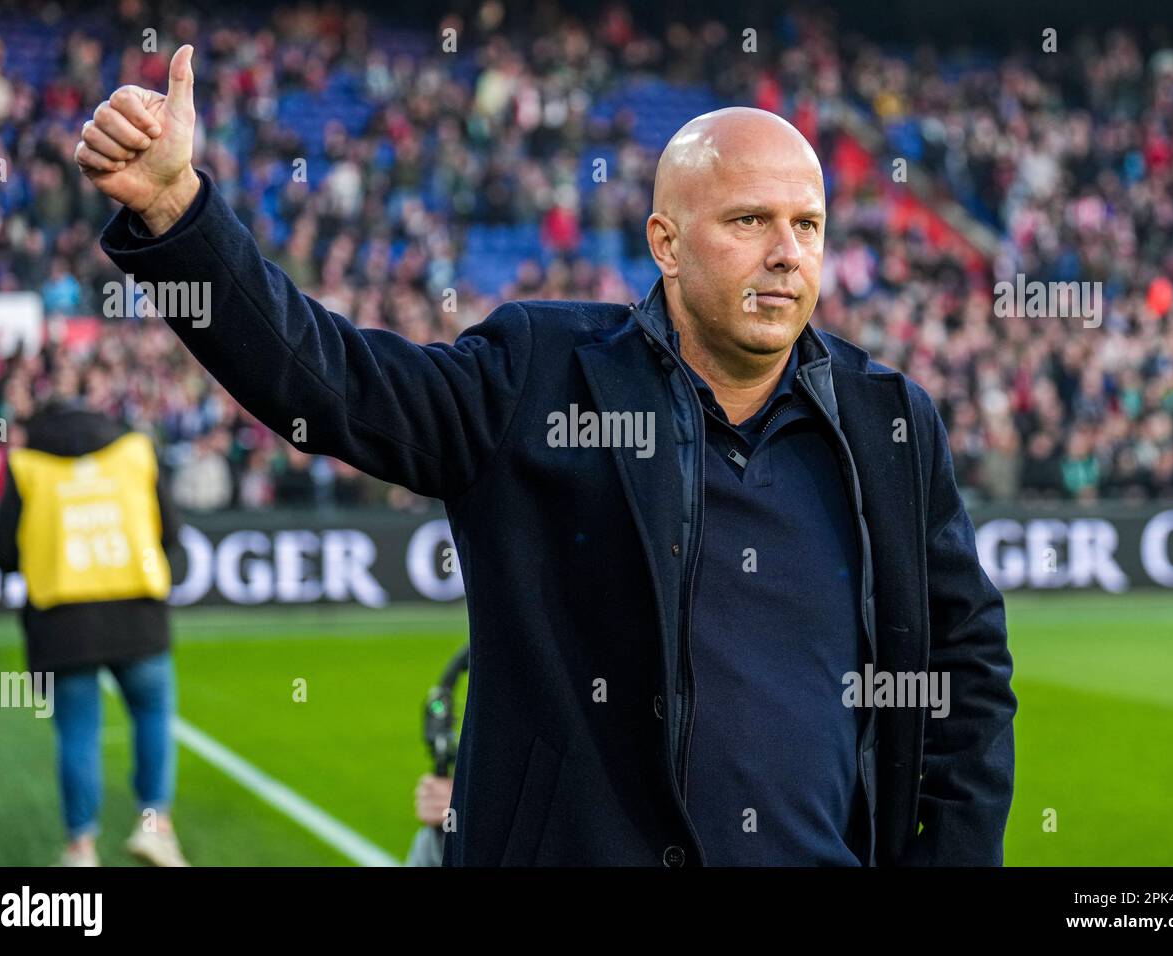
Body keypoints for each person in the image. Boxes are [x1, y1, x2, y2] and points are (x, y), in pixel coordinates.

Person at [77, 45, 1017, 866]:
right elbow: (334, 386)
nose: (786, 253)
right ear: (667, 242)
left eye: (806, 225)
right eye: (749, 222)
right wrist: (180, 215)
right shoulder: (541, 374)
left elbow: (966, 668)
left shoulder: (889, 421)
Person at [0, 396, 189, 867]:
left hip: (62, 622)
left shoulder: (26, 465)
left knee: (78, 732)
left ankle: (80, 847)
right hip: (137, 612)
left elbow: (1, 553)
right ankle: (155, 826)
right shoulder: (136, 451)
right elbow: (171, 534)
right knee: (153, 715)